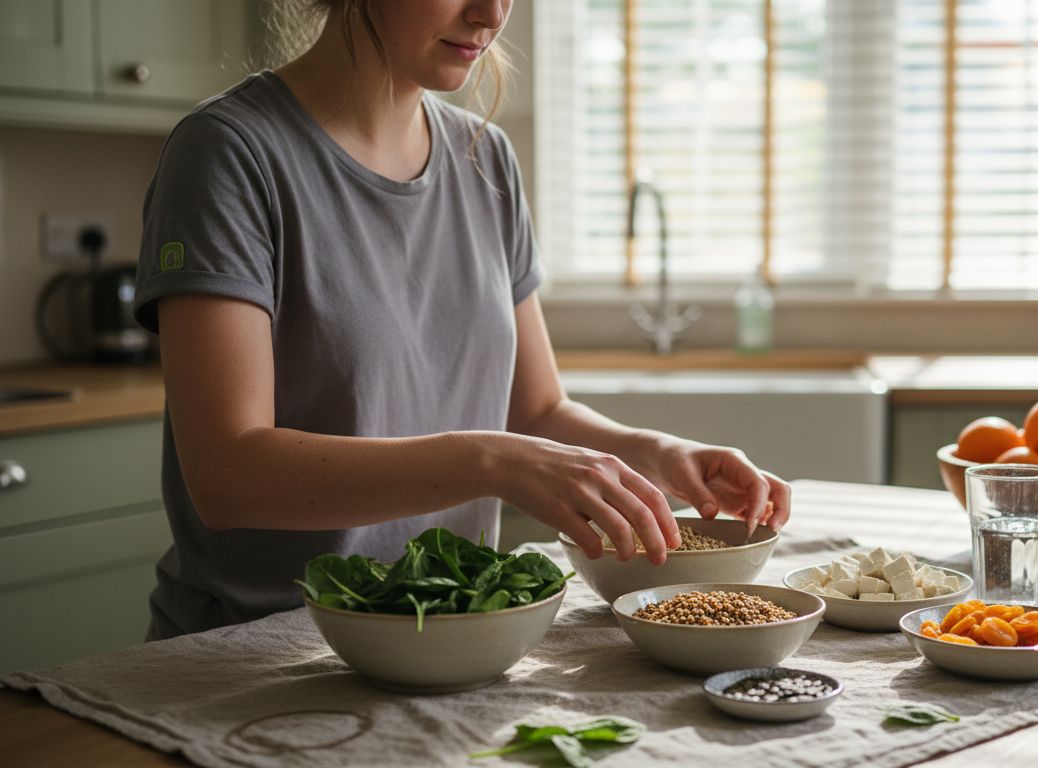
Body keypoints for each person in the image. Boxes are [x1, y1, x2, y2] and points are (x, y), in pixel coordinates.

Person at [133, 0, 791, 640]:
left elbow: (533, 412)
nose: (491, 13)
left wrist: (660, 457)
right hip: (258, 653)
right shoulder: (228, 153)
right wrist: (490, 461)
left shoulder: (488, 159)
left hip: (451, 641)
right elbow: (226, 476)